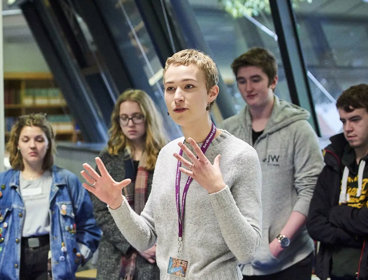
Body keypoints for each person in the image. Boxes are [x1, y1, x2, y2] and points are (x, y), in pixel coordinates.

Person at [81, 49, 262, 279]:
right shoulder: (167, 155)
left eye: (188, 86)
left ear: (212, 93)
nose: (177, 96)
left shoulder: (241, 156)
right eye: (170, 88)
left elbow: (247, 250)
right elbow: (144, 237)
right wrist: (117, 204)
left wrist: (218, 190)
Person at [221, 47, 323, 279]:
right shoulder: (228, 132)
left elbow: (310, 191)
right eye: (242, 81)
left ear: (273, 81)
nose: (248, 88)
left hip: (289, 259)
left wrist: (279, 244)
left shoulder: (298, 129)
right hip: (243, 262)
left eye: (256, 80)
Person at [0, 113, 101, 280]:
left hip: (53, 260)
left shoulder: (67, 181)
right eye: (26, 140)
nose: (32, 145)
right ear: (17, 144)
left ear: (48, 143)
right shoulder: (3, 183)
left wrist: (76, 257)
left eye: (39, 139)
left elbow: (90, 227)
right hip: (12, 262)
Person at [90, 89, 166, 280]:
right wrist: (136, 243)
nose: (130, 124)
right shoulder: (107, 159)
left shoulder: (165, 156)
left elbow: (169, 208)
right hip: (117, 253)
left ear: (148, 118)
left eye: (136, 117)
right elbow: (101, 211)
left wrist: (150, 243)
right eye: (124, 118)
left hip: (156, 251)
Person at [307, 84, 368, 280]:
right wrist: (355, 236)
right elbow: (315, 223)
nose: (348, 128)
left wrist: (336, 213)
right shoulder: (333, 162)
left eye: (355, 120)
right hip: (332, 273)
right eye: (343, 121)